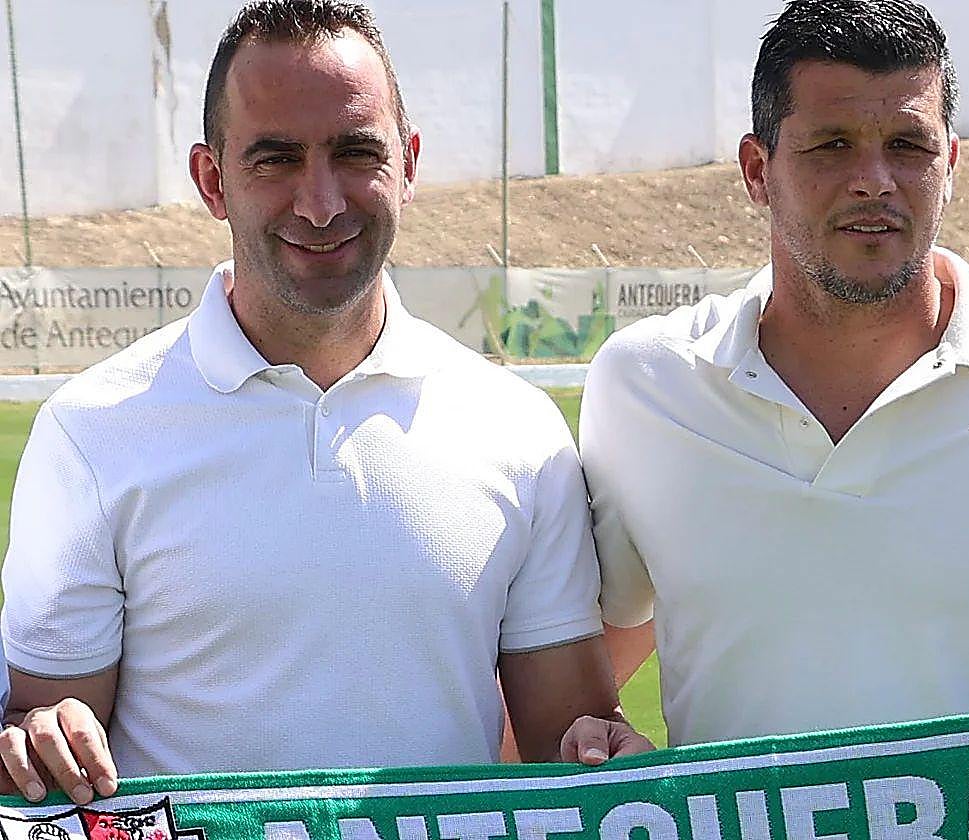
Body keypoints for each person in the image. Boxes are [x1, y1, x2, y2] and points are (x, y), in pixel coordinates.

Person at [0, 0, 648, 806]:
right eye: (274, 159)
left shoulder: (519, 431)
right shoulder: (92, 432)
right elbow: (48, 736)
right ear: (212, 181)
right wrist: (37, 740)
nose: (321, 201)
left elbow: (567, 738)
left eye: (356, 153)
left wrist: (600, 748)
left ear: (408, 165)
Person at [571, 0, 969, 749]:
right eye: (832, 144)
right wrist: (599, 746)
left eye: (907, 144)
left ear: (950, 163)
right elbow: (574, 684)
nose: (874, 179)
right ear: (756, 170)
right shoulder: (644, 387)